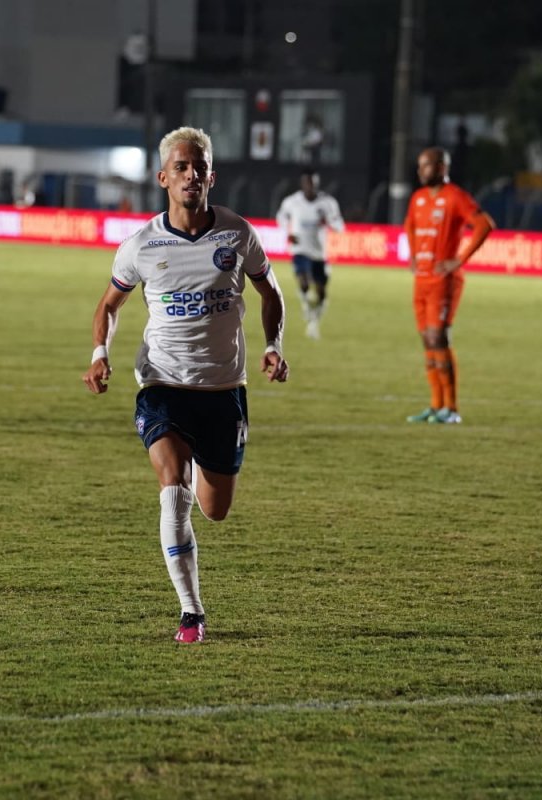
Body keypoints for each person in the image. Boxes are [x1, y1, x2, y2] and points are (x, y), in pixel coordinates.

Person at [81, 126, 289, 644]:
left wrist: (273, 345)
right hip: (162, 385)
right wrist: (100, 353)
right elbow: (109, 304)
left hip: (223, 391)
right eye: (181, 167)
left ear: (211, 176)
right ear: (163, 178)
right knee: (172, 490)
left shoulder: (237, 234)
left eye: (199, 167)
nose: (191, 175)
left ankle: (197, 463)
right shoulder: (142, 245)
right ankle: (191, 612)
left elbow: (271, 291)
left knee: (215, 510)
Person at [403, 146, 494, 425]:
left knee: (438, 338)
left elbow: (484, 224)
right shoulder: (418, 198)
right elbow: (410, 226)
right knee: (427, 341)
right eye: (419, 165)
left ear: (441, 168)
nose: (420, 171)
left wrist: (458, 260)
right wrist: (415, 254)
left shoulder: (455, 197)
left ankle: (451, 408)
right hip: (422, 281)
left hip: (444, 281)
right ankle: (435, 405)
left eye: (426, 165)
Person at [275, 168, 345, 339]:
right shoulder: (292, 202)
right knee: (304, 281)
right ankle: (306, 306)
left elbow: (340, 226)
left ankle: (314, 320)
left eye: (313, 183)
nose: (310, 186)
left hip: (319, 253)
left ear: (317, 183)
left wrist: (328, 221)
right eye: (307, 182)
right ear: (302, 184)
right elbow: (281, 218)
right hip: (300, 249)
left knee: (321, 291)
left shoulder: (327, 203)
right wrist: (288, 232)